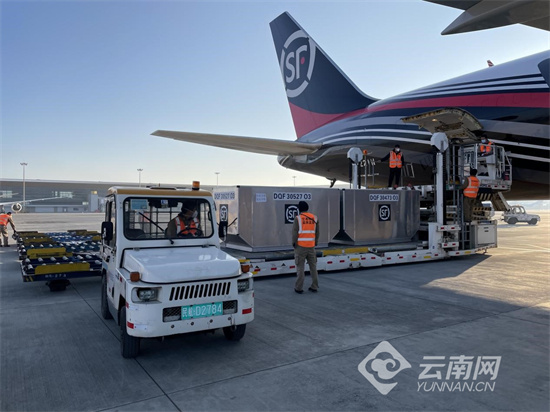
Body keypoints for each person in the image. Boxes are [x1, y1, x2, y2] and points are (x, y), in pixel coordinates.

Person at [292, 201, 319, 294]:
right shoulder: (315, 218)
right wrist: (315, 243)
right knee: (313, 267)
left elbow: (295, 233)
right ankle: (314, 286)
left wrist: (294, 243)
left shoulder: (298, 218)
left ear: (299, 209)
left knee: (300, 268)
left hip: (300, 247)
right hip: (311, 247)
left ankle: (299, 288)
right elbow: (317, 232)